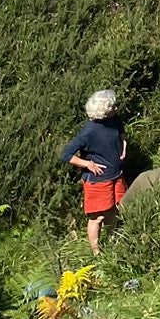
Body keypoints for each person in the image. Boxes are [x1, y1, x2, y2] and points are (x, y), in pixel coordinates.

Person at [61, 89, 128, 254]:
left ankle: (113, 243)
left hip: (117, 175)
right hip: (98, 181)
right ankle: (96, 252)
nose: (116, 108)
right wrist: (87, 164)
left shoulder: (114, 119)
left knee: (115, 211)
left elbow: (122, 133)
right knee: (97, 217)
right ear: (104, 110)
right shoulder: (89, 131)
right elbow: (66, 155)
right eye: (113, 106)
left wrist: (124, 147)